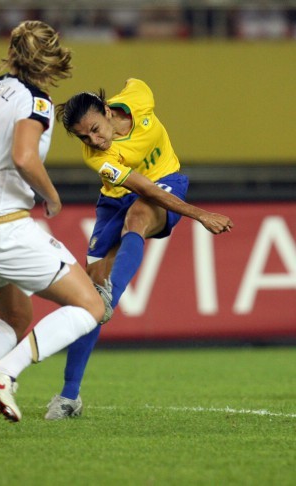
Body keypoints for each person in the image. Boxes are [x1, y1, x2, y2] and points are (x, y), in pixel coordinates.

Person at [0, 20, 112, 445]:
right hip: (0, 226)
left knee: (15, 317)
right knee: (90, 306)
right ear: (48, 60)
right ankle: (4, 372)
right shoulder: (37, 101)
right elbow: (24, 156)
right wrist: (51, 196)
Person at [44, 78, 234, 420]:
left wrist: (197, 214)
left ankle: (109, 300)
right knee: (87, 298)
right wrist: (202, 214)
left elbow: (152, 192)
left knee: (138, 218)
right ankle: (70, 396)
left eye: (96, 130)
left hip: (167, 184)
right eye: (84, 137)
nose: (94, 141)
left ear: (107, 110)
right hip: (114, 201)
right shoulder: (99, 158)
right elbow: (141, 185)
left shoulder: (139, 97)